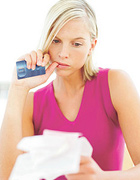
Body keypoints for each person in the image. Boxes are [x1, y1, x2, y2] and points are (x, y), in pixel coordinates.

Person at [0, 0, 140, 179]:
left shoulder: (116, 84)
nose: (63, 53)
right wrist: (17, 89)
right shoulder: (31, 103)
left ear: (92, 45)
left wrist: (99, 178)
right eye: (56, 41)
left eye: (76, 44)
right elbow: (8, 176)